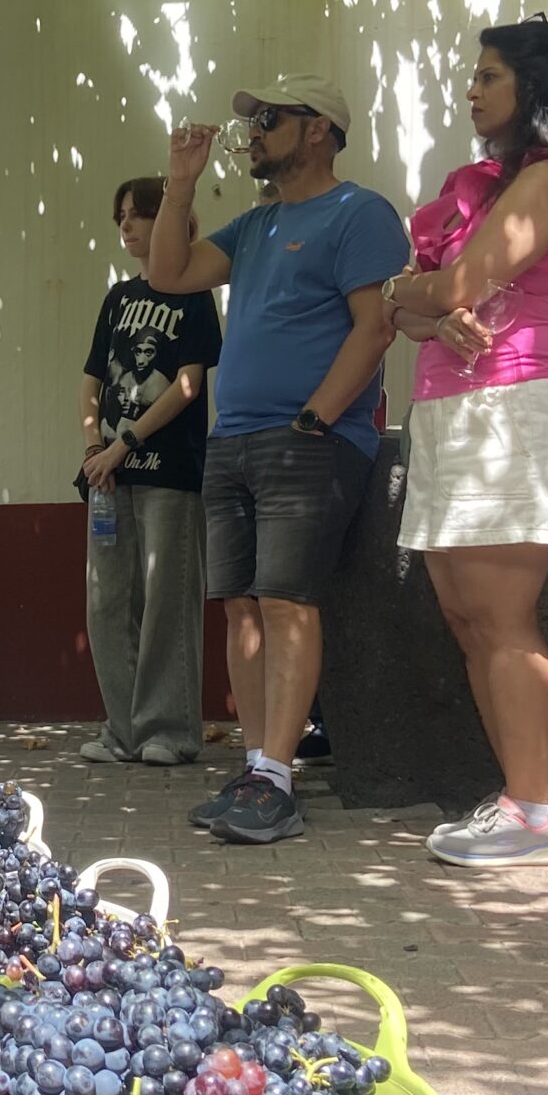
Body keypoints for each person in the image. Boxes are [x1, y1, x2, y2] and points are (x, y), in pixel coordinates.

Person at [150, 79, 406, 845]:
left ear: (321, 130)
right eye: (253, 121)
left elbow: (376, 326)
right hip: (234, 439)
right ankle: (259, 765)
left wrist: (315, 418)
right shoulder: (256, 224)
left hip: (308, 441)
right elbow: (169, 274)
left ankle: (279, 778)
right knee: (242, 606)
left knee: (287, 600)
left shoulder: (360, 213)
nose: (254, 132)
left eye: (270, 120)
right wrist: (180, 185)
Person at [382, 19, 548, 867]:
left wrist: (421, 293)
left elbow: (454, 286)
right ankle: (518, 794)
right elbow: (406, 315)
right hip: (454, 412)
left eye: (489, 76)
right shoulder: (482, 186)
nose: (471, 91)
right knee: (467, 617)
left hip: (514, 412)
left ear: (535, 92)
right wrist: (420, 299)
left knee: (504, 617)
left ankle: (537, 811)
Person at [78, 174, 223, 766]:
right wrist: (95, 446)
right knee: (106, 601)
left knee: (167, 598)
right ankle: (122, 729)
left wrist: (127, 440)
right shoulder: (117, 298)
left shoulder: (193, 292)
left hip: (168, 470)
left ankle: (169, 731)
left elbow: (189, 383)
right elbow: (92, 376)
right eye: (122, 217)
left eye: (140, 214)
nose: (128, 226)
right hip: (110, 474)